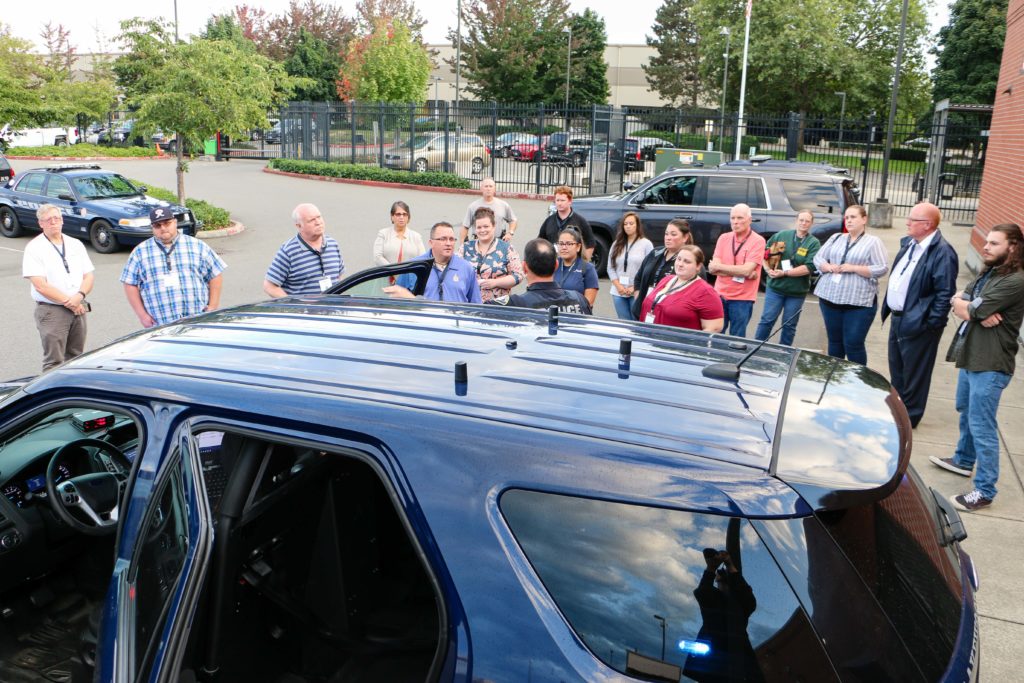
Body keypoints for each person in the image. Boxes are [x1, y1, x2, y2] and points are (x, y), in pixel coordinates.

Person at [930, 223, 1024, 512]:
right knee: (965, 410)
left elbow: (971, 308)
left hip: (992, 363)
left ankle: (984, 491)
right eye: (986, 242)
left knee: (982, 425)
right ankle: (963, 460)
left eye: (994, 243)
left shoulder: (1016, 280)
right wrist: (969, 307)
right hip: (972, 355)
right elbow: (961, 300)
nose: (985, 247)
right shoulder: (991, 272)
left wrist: (972, 309)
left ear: (1013, 248)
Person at [880, 202, 959, 428]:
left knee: (915, 374)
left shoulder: (942, 252)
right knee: (898, 370)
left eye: (912, 219)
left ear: (927, 225)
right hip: (898, 318)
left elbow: (945, 293)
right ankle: (898, 412)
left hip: (919, 323)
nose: (907, 222)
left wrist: (932, 323)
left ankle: (910, 419)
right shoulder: (910, 244)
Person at [121, 205, 226, 328]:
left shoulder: (197, 246)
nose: (163, 228)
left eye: (167, 223)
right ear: (152, 228)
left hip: (198, 320)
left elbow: (215, 275)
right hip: (160, 324)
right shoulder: (140, 252)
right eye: (158, 225)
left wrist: (213, 307)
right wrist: (142, 315)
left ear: (175, 223)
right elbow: (129, 284)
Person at [812, 205, 889, 364]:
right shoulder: (836, 237)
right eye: (847, 218)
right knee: (834, 342)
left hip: (858, 303)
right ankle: (834, 377)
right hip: (829, 299)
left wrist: (854, 268)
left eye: (853, 217)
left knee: (853, 344)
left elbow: (881, 268)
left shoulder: (873, 242)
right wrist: (827, 266)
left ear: (864, 219)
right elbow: (818, 258)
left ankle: (858, 382)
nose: (849, 221)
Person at [22, 204, 94, 371]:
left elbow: (89, 276)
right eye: (48, 220)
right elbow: (40, 285)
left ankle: (74, 394)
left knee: (76, 357)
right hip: (52, 310)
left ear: (62, 220)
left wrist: (80, 296)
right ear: (41, 223)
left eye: (57, 218)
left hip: (78, 306)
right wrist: (70, 302)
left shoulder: (75, 244)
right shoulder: (34, 248)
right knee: (54, 362)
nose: (53, 222)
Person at [753, 210, 821, 345]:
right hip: (776, 289)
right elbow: (764, 254)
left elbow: (809, 267)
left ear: (811, 223)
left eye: (807, 221)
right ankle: (756, 349)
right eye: (801, 220)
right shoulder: (782, 235)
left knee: (789, 325)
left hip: (796, 292)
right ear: (796, 220)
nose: (803, 223)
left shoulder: (813, 243)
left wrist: (785, 273)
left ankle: (784, 353)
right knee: (767, 320)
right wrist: (767, 270)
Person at [384, 222, 482, 303]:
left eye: (451, 239)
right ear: (431, 243)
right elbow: (397, 301)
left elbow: (476, 306)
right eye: (443, 239)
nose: (448, 243)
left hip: (456, 325)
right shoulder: (414, 267)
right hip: (424, 324)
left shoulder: (466, 268)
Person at [488, 239, 591, 314]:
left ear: (524, 267)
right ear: (556, 265)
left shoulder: (514, 304)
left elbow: (478, 311)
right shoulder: (579, 299)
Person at [709, 204, 766, 337]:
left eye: (740, 218)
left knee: (737, 339)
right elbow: (712, 269)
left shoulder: (758, 241)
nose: (735, 222)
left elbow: (746, 271)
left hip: (742, 299)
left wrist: (721, 269)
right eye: (732, 218)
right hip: (720, 295)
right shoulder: (724, 238)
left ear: (749, 220)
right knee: (716, 335)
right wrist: (742, 271)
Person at [263, 203, 345, 297]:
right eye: (311, 220)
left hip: (332, 309)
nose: (318, 222)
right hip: (304, 311)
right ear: (299, 226)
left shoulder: (332, 244)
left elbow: (340, 276)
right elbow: (269, 286)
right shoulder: (289, 251)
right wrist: (293, 305)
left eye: (319, 217)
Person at [639, 245, 723, 332]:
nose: (680, 264)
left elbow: (714, 328)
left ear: (698, 266)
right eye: (678, 259)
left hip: (675, 343)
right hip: (648, 339)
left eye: (687, 262)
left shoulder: (706, 292)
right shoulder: (666, 280)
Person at [630, 219, 697, 320]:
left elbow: (695, 292)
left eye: (673, 235)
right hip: (643, 313)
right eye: (666, 234)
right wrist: (639, 299)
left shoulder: (689, 260)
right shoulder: (655, 253)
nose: (668, 238)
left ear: (685, 237)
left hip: (668, 317)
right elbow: (638, 278)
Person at [460, 207, 524, 303]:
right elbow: (455, 273)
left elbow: (518, 276)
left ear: (494, 226)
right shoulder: (465, 248)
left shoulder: (506, 248)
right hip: (469, 304)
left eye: (486, 226)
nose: (482, 230)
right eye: (479, 227)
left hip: (498, 305)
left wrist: (495, 283)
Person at [606, 212, 654, 320]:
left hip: (637, 291)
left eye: (631, 223)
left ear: (637, 225)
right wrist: (618, 286)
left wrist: (634, 287)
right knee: (623, 322)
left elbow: (649, 269)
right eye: (625, 224)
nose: (628, 226)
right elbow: (610, 267)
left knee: (636, 321)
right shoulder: (616, 244)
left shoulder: (646, 244)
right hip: (618, 291)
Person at [537, 185, 596, 261]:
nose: (559, 203)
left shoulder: (581, 221)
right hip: (552, 264)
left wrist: (584, 264)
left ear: (570, 201)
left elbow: (590, 244)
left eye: (562, 200)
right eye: (557, 200)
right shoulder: (549, 221)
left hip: (573, 265)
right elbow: (540, 241)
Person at [461, 177, 517, 243]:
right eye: (486, 186)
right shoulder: (473, 206)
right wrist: (462, 245)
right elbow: (465, 227)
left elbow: (513, 220)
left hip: (498, 242)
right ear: (481, 188)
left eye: (491, 186)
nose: (488, 189)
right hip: (479, 243)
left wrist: (510, 233)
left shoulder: (503, 205)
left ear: (494, 189)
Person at [554, 228, 599, 308]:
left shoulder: (588, 268)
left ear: (578, 247)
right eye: (561, 244)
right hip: (553, 314)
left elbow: (588, 303)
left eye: (569, 244)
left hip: (576, 316)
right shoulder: (552, 265)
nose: (564, 247)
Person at [373, 201, 426, 267]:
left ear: (408, 217)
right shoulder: (383, 234)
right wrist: (394, 271)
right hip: (387, 275)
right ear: (392, 217)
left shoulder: (416, 237)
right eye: (398, 214)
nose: (401, 217)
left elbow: (423, 259)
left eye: (404, 214)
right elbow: (377, 257)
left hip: (410, 275)